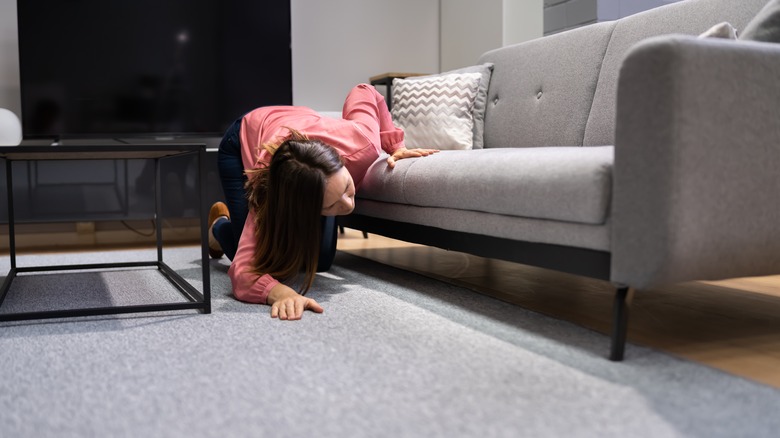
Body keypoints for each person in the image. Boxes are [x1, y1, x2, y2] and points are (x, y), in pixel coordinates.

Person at [208, 83, 438, 321]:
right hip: (241, 138)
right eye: (332, 206)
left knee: (320, 261)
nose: (349, 206)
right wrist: (279, 292)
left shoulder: (364, 141)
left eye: (347, 188)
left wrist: (395, 146)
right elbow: (243, 274)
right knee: (250, 253)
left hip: (297, 127)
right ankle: (218, 227)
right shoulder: (270, 194)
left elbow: (365, 90)